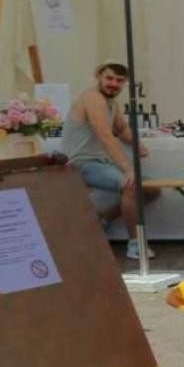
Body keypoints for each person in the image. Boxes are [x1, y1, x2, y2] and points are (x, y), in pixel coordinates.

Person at [64, 63, 159, 257]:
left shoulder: (111, 103)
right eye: (109, 78)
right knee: (131, 185)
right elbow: (105, 135)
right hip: (82, 163)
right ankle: (135, 244)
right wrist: (127, 169)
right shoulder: (92, 98)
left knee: (152, 189)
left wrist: (137, 144)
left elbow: (121, 129)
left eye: (119, 80)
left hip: (102, 162)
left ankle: (102, 220)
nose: (113, 84)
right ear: (98, 76)